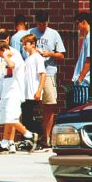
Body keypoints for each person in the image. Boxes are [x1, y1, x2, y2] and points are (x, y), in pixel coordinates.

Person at [29, 12, 66, 145]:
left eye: (44, 24)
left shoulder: (54, 34)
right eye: (39, 24)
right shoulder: (30, 32)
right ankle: (28, 136)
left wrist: (50, 54)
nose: (41, 27)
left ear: (48, 22)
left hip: (49, 72)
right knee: (28, 105)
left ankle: (46, 137)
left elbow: (62, 56)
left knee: (49, 105)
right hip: (32, 74)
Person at [71, 18, 90, 104]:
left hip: (84, 81)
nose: (77, 27)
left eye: (77, 24)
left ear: (84, 22)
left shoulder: (90, 37)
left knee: (81, 110)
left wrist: (80, 78)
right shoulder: (87, 37)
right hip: (83, 81)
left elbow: (89, 60)